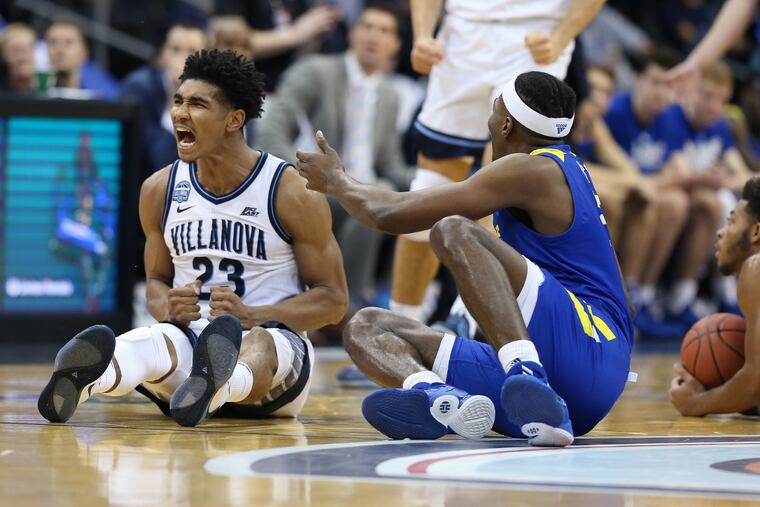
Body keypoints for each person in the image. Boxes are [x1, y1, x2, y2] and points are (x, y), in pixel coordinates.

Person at [296, 71, 634, 447]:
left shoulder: (534, 168)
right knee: (365, 327)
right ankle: (441, 397)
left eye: (493, 111)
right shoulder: (564, 167)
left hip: (587, 343)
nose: (489, 121)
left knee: (453, 230)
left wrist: (338, 181)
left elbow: (388, 215)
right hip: (586, 369)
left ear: (506, 125)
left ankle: (526, 371)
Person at [38, 49, 348, 427]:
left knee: (260, 342)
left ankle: (219, 384)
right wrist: (166, 307)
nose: (180, 114)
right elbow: (155, 283)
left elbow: (333, 300)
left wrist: (256, 315)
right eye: (178, 101)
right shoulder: (159, 189)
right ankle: (87, 379)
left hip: (275, 358)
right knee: (151, 342)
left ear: (234, 120)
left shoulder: (288, 190)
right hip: (192, 345)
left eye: (197, 104)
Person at [388, 0, 606, 324]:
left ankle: (478, 325)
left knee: (507, 190)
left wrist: (562, 36)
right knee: (430, 186)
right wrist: (422, 34)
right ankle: (399, 325)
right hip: (462, 37)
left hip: (535, 38)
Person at [256, 5, 409, 307]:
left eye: (384, 31)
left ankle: (364, 303)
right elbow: (270, 132)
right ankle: (347, 306)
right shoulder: (316, 71)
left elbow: (390, 164)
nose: (374, 36)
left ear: (396, 46)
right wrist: (307, 173)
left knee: (384, 197)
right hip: (318, 186)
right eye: (367, 26)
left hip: (360, 190)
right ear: (352, 34)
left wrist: (430, 180)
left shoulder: (391, 95)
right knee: (371, 201)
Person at [603, 48, 694, 333]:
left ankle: (643, 294)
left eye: (669, 85)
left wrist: (650, 182)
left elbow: (678, 171)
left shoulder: (669, 118)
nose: (662, 92)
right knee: (636, 200)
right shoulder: (614, 112)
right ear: (638, 79)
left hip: (639, 188)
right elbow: (619, 174)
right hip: (610, 191)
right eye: (656, 82)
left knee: (675, 202)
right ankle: (613, 297)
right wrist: (650, 182)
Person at [670, 177, 760, 417]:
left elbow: (754, 386)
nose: (721, 232)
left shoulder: (755, 268)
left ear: (756, 231)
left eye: (731, 222)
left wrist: (694, 403)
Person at [119, 23, 207, 176]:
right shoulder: (138, 89)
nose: (183, 59)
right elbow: (161, 161)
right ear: (163, 53)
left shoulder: (213, 95)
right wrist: (176, 99)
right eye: (175, 49)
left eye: (192, 51)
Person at [44, 20, 119, 100]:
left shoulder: (104, 97)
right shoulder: (35, 91)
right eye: (53, 42)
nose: (59, 50)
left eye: (68, 43)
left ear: (85, 52)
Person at [0, 22, 36, 96]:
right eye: (16, 50)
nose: (22, 57)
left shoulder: (48, 89)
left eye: (26, 50)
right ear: (4, 55)